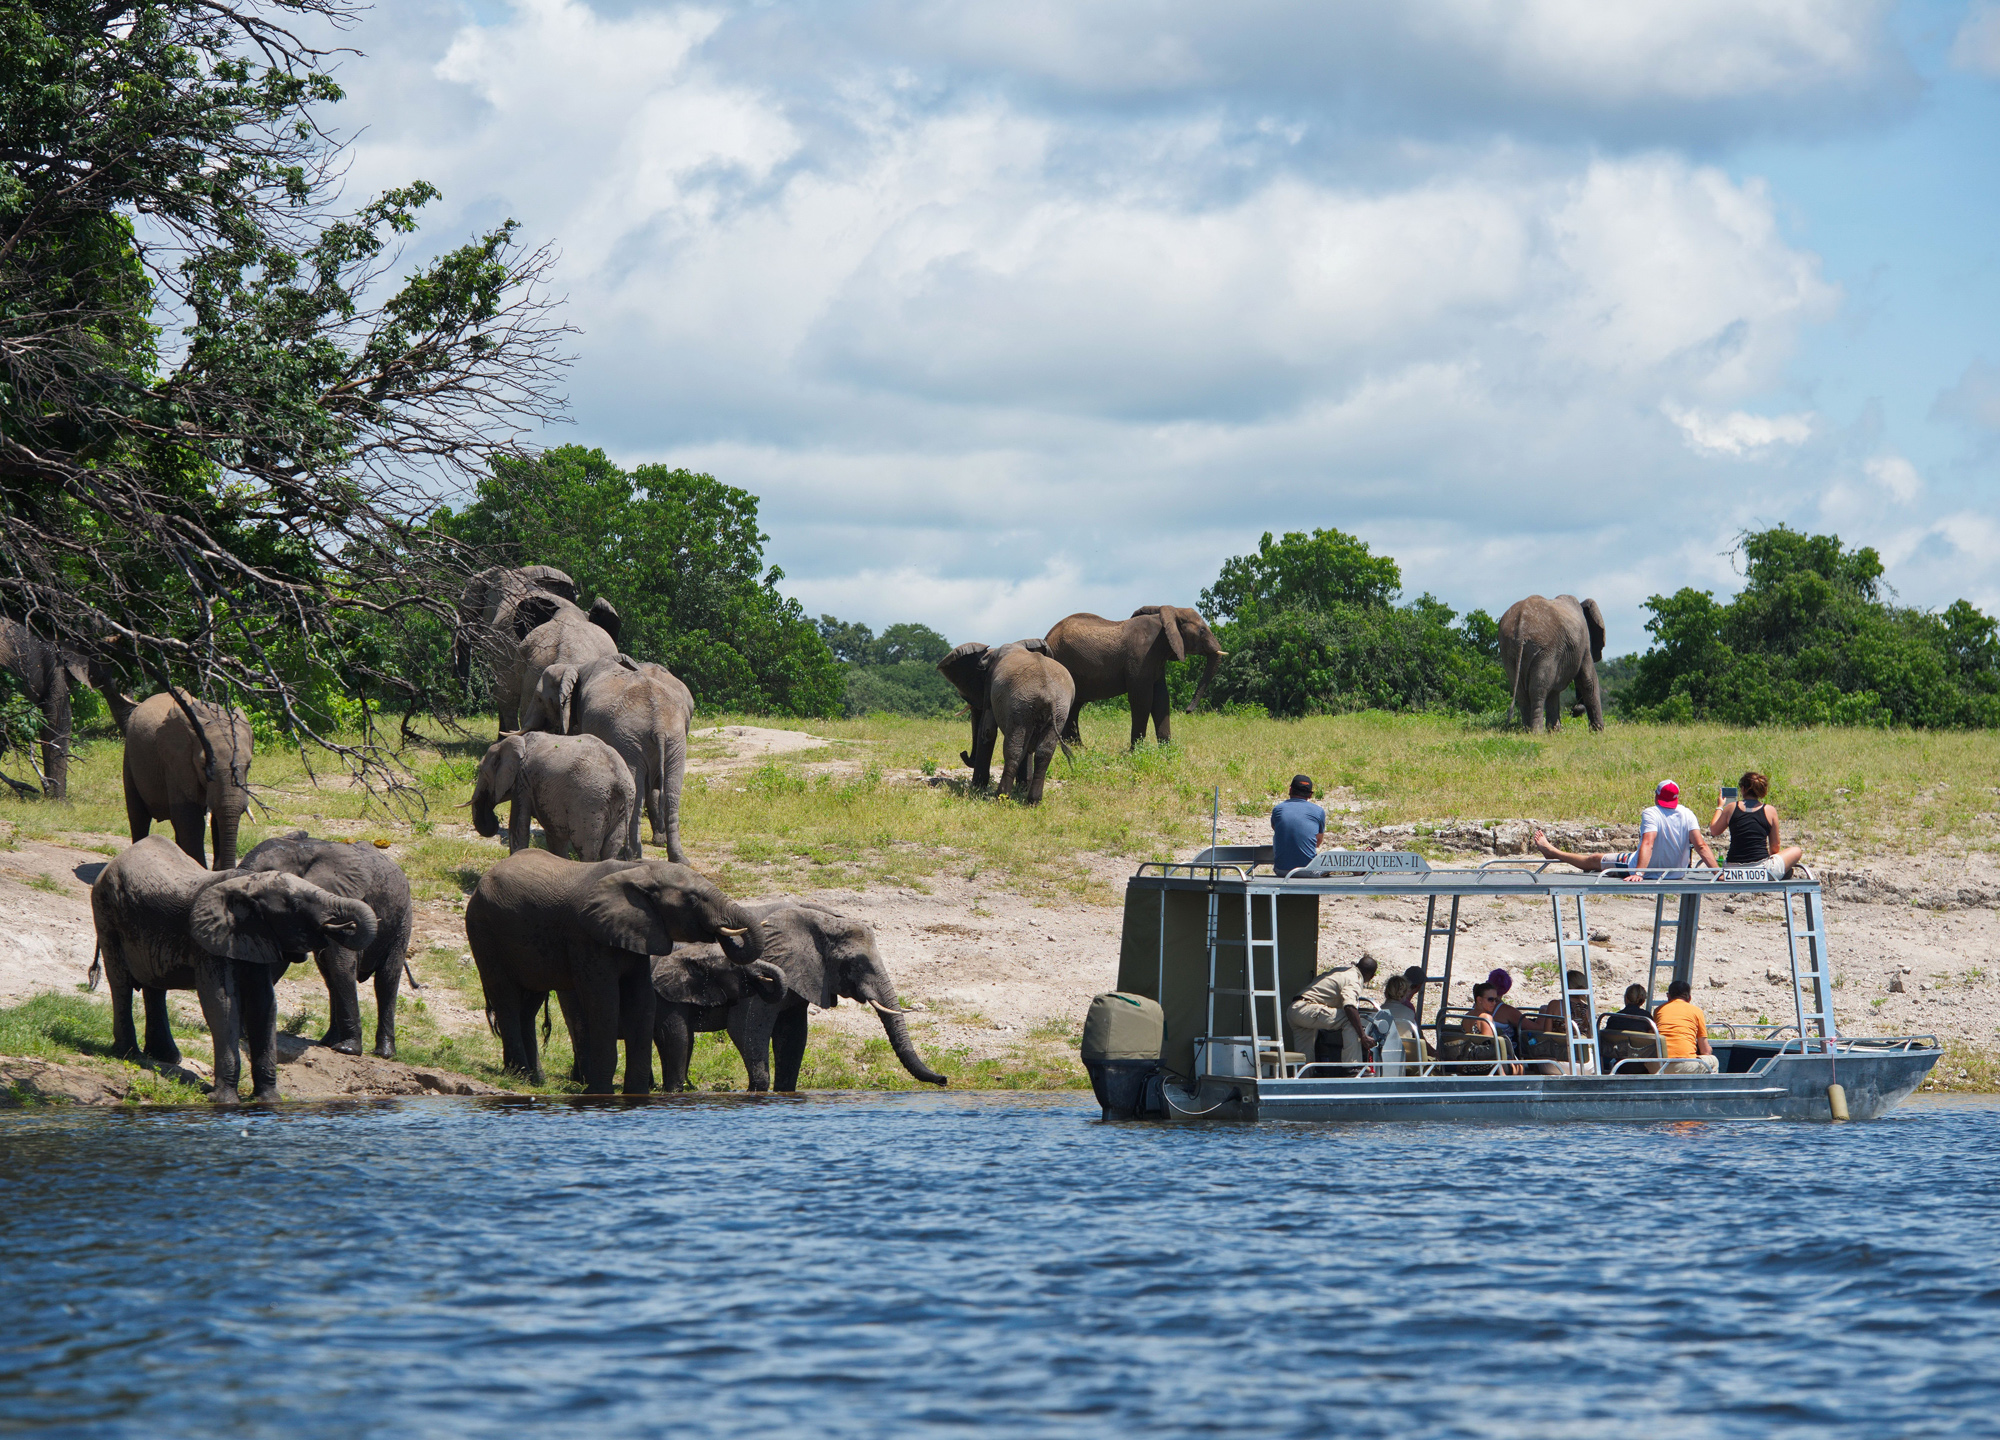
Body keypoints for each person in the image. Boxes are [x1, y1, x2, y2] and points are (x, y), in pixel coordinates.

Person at [1531, 780, 1716, 880]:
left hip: (1644, 869)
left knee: (1594, 859)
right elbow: (1700, 845)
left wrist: (1638, 873)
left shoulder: (1651, 813)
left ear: (1657, 796)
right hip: (1676, 873)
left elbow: (1648, 843)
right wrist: (1717, 873)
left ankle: (1552, 852)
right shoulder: (1687, 813)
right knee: (1616, 857)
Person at [1286, 955, 1378, 1071]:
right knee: (1350, 1020)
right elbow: (1349, 1007)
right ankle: (1352, 1066)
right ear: (1371, 976)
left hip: (1295, 1010)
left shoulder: (1340, 971)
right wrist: (1363, 1036)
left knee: (1305, 1055)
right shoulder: (1355, 979)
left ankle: (1303, 1082)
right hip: (1307, 1008)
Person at [1710, 771, 1805, 881]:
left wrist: (1720, 807)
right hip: (1761, 871)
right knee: (1796, 850)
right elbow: (1775, 847)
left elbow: (1714, 830)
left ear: (1743, 789)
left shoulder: (1731, 808)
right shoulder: (1770, 811)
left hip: (1732, 870)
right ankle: (1782, 872)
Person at [1653, 979, 1719, 1074]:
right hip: (1683, 1066)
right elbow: (1705, 1051)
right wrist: (1709, 1050)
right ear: (1689, 998)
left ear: (1668, 996)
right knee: (1713, 1061)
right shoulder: (1696, 1011)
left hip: (1657, 1066)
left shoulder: (1658, 1010)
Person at [1461, 982, 1523, 1075]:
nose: (1494, 1003)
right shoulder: (1485, 1018)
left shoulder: (1467, 1016)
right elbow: (1490, 1047)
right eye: (1490, 999)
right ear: (1479, 1000)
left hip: (1468, 1063)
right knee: (1520, 1067)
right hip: (1485, 1065)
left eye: (1496, 1000)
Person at [1270, 774, 1326, 876]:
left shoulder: (1278, 809)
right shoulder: (1318, 811)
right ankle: (1359, 872)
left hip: (1281, 871)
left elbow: (1277, 830)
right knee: (1342, 851)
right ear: (1310, 795)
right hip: (1309, 871)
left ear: (1290, 790)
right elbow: (1318, 842)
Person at [1365, 975, 1421, 1074]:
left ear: (1386, 992)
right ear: (1404, 994)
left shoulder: (1377, 1012)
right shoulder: (1410, 1013)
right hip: (1404, 1056)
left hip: (1380, 1056)